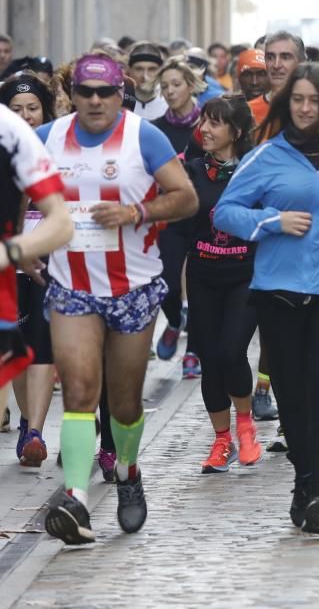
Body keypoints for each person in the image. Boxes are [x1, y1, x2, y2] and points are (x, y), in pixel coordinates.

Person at [213, 63, 319, 534]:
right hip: (279, 289)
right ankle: (303, 481)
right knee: (291, 391)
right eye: (298, 100)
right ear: (287, 104)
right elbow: (225, 211)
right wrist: (272, 222)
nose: (306, 109)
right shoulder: (266, 156)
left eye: (315, 101)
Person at [39, 53, 197, 544]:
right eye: (85, 92)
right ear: (73, 95)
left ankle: (127, 471)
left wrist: (136, 212)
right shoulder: (48, 137)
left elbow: (186, 197)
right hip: (72, 283)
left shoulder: (142, 136)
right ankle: (76, 499)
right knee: (82, 392)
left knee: (124, 403)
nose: (94, 101)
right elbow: (21, 197)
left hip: (133, 284)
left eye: (103, 92)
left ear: (118, 94)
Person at [179, 95, 262, 473]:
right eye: (203, 122)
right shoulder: (191, 170)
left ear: (237, 131)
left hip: (245, 277)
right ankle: (221, 440)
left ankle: (245, 426)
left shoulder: (256, 171)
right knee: (210, 359)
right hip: (203, 277)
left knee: (232, 351)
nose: (205, 130)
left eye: (214, 123)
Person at [0, 75, 59, 465]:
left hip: (53, 261)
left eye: (32, 109)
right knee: (18, 347)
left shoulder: (60, 147)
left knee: (44, 344)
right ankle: (25, 421)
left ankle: (35, 429)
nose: (25, 117)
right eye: (16, 110)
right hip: (8, 265)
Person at [151, 57, 207, 378]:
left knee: (199, 289)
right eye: (165, 87)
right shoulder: (156, 130)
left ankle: (193, 353)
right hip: (170, 217)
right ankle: (174, 321)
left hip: (202, 216)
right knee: (168, 286)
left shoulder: (208, 125)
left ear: (191, 85)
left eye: (176, 85)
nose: (170, 92)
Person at [249, 31, 306, 134]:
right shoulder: (249, 111)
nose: (276, 65)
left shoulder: (310, 109)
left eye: (285, 57)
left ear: (301, 62)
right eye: (270, 57)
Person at [127, 42, 167, 121]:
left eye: (152, 69)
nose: (145, 76)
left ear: (160, 71)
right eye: (139, 69)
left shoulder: (169, 101)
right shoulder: (120, 102)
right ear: (129, 71)